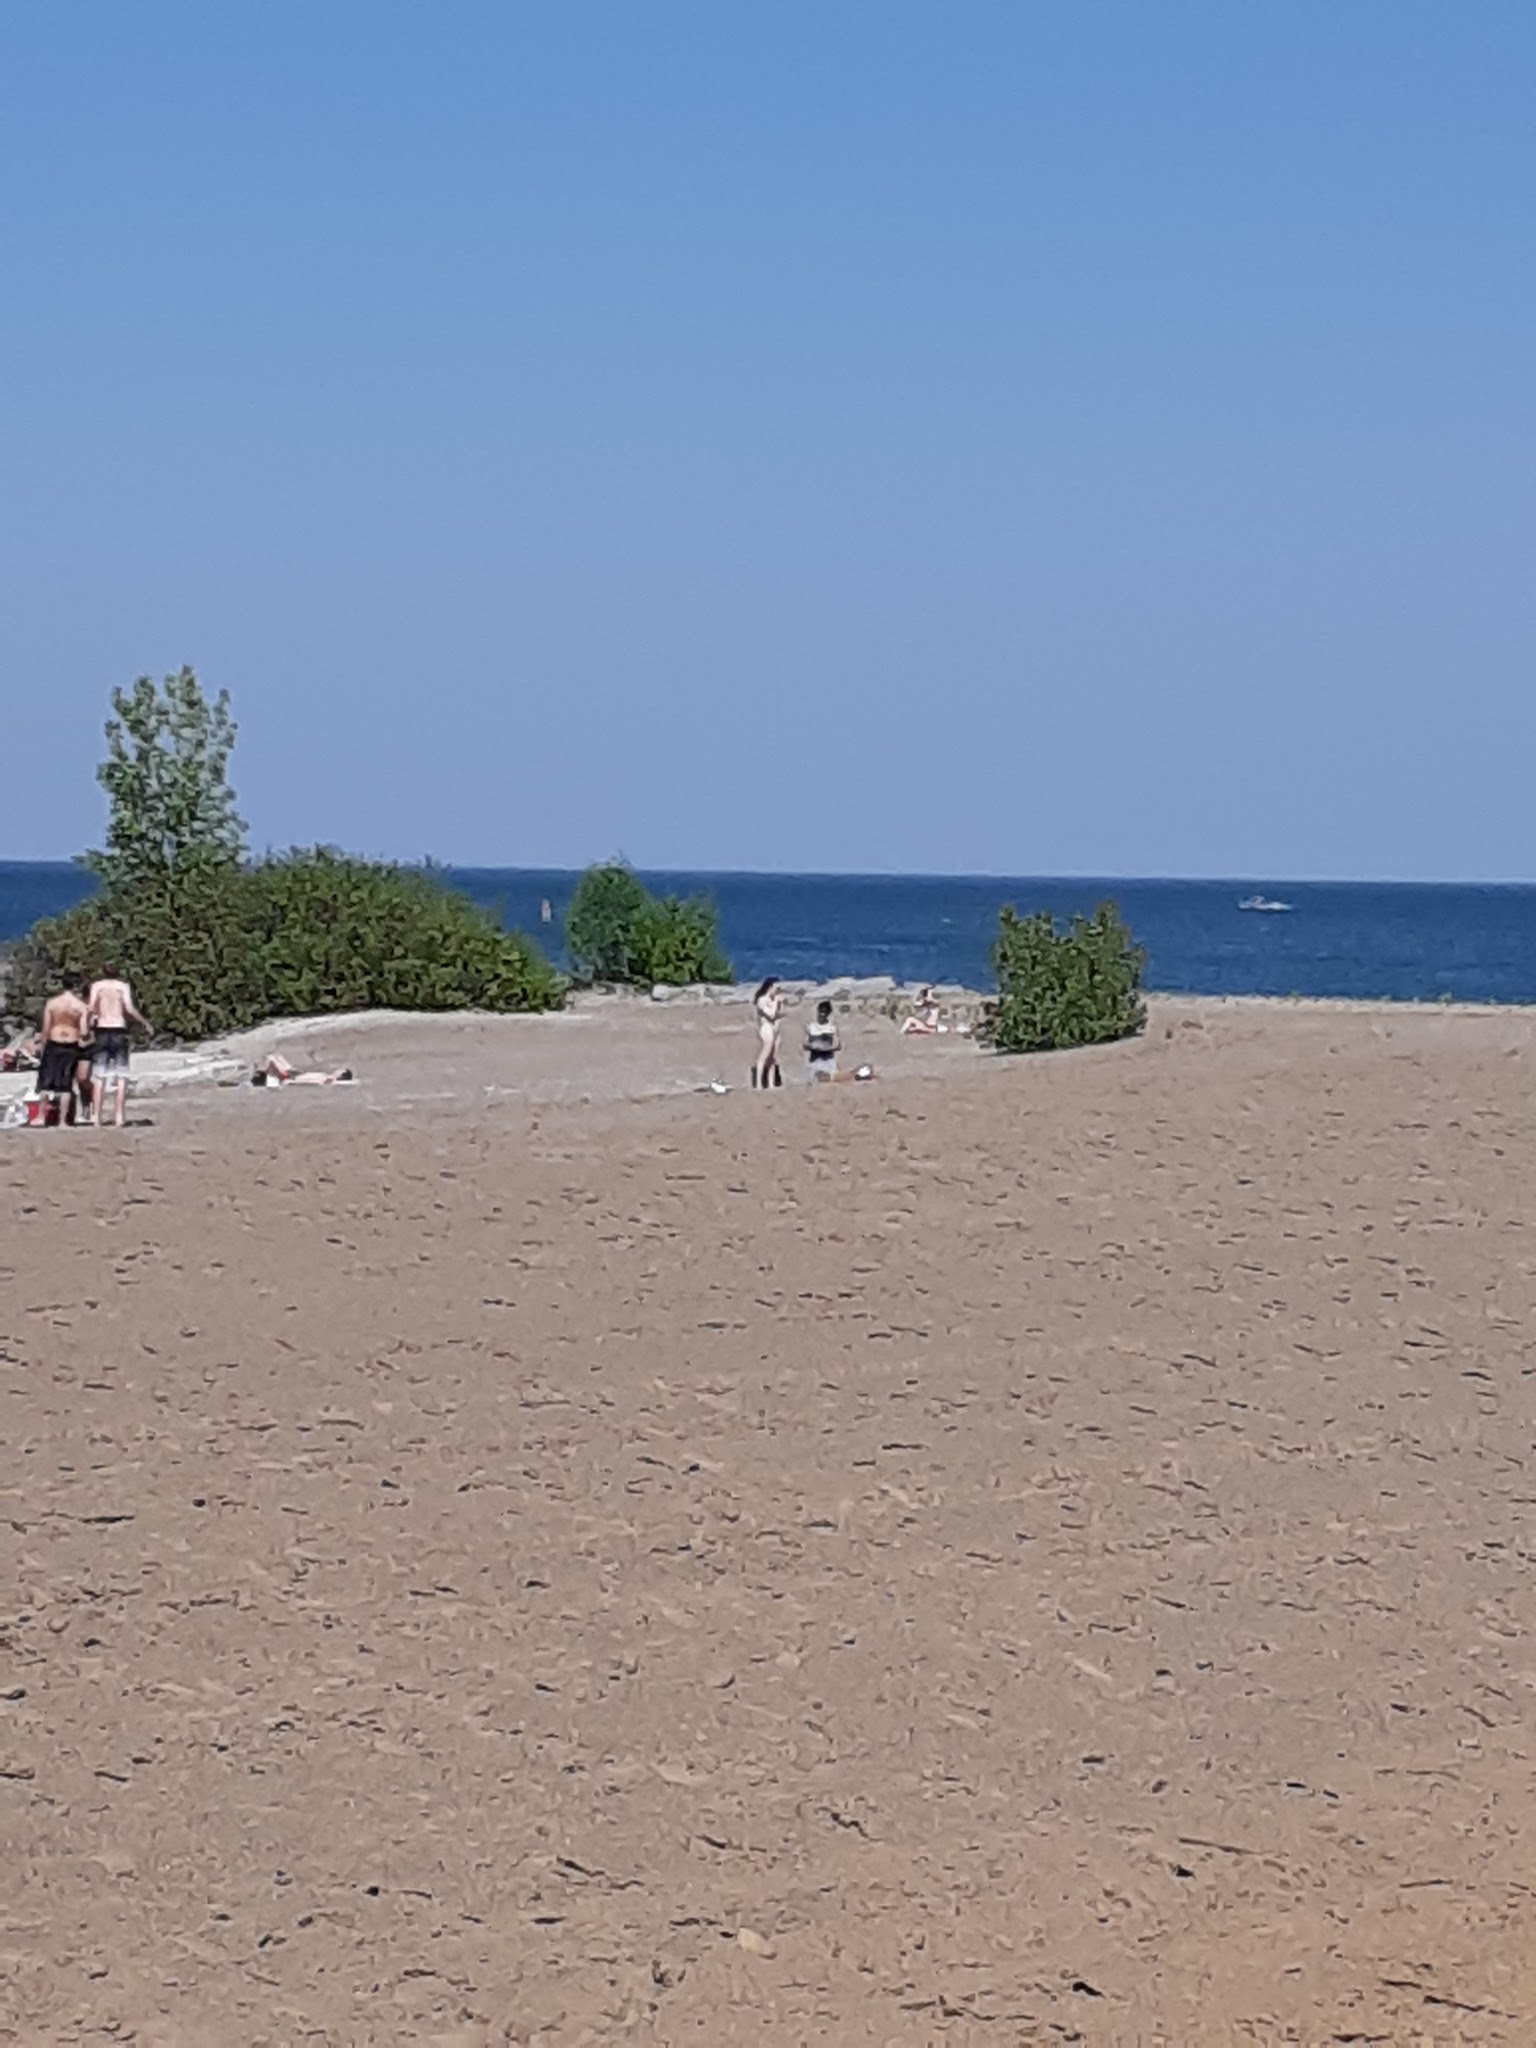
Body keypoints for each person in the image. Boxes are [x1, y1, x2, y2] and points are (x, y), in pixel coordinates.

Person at [86, 967, 150, 1128]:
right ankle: (119, 1117)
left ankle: (96, 1117)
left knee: (99, 1076)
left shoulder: (97, 986)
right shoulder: (122, 987)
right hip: (118, 1029)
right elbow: (128, 1009)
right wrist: (144, 1022)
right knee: (121, 1076)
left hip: (102, 1029)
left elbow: (91, 1008)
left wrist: (87, 1025)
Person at [36, 979, 90, 1126]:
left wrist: (41, 1043)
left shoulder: (52, 1003)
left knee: (46, 1082)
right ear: (75, 987)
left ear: (62, 986)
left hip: (54, 1042)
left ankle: (41, 1117)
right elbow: (84, 1031)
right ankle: (62, 1121)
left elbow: (46, 1028)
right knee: (65, 1084)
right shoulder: (81, 1006)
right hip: (71, 1044)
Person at [751, 977, 783, 1088]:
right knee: (764, 1055)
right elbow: (771, 1015)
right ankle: (759, 1083)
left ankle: (771, 1083)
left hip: (775, 1029)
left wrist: (779, 1004)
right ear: (769, 987)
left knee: (772, 1058)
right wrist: (775, 1003)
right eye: (776, 988)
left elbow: (780, 1014)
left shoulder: (774, 999)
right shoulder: (762, 1000)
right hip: (766, 1028)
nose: (778, 990)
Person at [252, 1055, 355, 1086]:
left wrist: (292, 1082)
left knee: (271, 1058)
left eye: (340, 1071)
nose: (337, 1070)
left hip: (292, 1077)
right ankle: (263, 1074)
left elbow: (310, 1081)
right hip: (296, 1073)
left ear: (341, 1075)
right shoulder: (329, 1076)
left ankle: (261, 1074)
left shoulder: (330, 1078)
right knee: (277, 1057)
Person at [804, 999, 840, 1079]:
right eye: (820, 1012)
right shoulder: (811, 1027)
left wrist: (827, 1048)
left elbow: (837, 1045)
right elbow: (805, 1044)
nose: (822, 1015)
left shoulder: (832, 1028)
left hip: (828, 1061)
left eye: (824, 1013)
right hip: (814, 1061)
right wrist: (813, 1046)